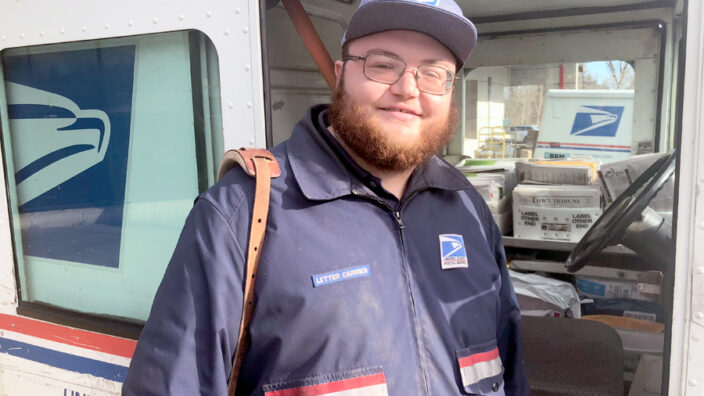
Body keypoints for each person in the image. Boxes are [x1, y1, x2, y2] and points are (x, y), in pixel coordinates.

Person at [123, 0, 528, 394]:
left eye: (434, 73)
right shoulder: (242, 213)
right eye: (383, 65)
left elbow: (508, 371)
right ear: (339, 75)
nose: (408, 89)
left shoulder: (466, 208)